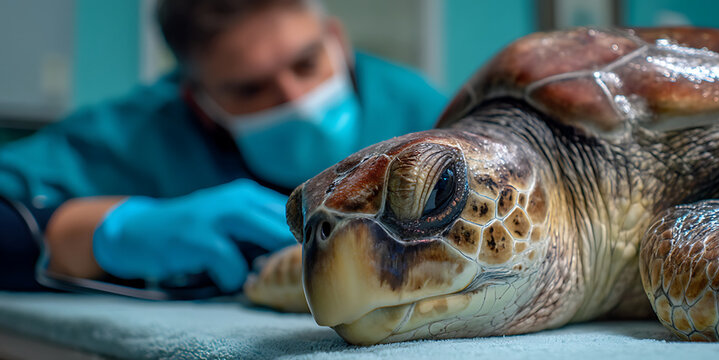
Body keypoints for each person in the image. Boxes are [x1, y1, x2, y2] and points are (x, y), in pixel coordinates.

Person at [0, 0, 447, 292]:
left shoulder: (423, 115)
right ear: (198, 100)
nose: (297, 100)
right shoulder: (139, 135)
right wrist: (103, 233)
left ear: (337, 39)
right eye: (251, 90)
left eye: (306, 63)